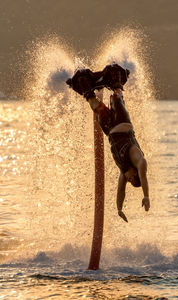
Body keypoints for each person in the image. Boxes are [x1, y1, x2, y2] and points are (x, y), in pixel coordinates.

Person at [66, 64, 150, 222]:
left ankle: (86, 88)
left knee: (93, 104)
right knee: (117, 96)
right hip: (122, 121)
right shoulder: (138, 160)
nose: (128, 179)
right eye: (132, 178)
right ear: (136, 173)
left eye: (130, 181)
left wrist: (119, 208)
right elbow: (143, 176)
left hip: (109, 129)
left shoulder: (125, 171)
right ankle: (115, 80)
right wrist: (146, 196)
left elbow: (121, 191)